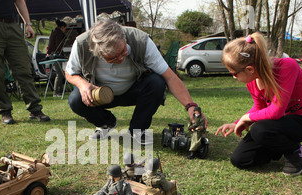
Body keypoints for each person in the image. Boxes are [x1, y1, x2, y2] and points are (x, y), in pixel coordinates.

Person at [65, 19, 204, 145]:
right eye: (112, 58)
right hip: (101, 94)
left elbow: (170, 77)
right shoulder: (82, 44)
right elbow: (70, 73)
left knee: (156, 82)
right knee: (75, 99)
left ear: (124, 38)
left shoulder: (141, 40)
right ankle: (105, 123)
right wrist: (82, 84)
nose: (120, 59)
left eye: (123, 51)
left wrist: (191, 105)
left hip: (134, 90)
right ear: (98, 53)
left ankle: (138, 130)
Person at [215, 33, 302, 176]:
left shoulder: (287, 66)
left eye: (234, 73)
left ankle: (295, 151)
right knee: (240, 159)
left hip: (301, 120)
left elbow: (276, 112)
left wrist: (246, 118)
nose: (233, 77)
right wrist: (237, 122)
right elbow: (260, 107)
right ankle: (280, 147)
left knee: (259, 129)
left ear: (250, 69)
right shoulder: (252, 81)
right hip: (274, 126)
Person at [47, 20, 67, 97]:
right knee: (59, 74)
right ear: (62, 27)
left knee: (60, 73)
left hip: (52, 54)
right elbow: (59, 46)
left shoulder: (54, 32)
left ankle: (60, 90)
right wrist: (62, 55)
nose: (65, 30)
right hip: (56, 55)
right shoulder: (58, 33)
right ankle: (56, 92)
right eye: (65, 29)